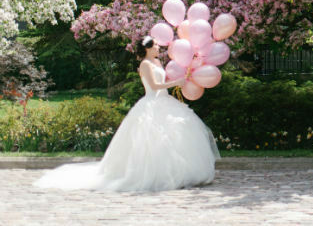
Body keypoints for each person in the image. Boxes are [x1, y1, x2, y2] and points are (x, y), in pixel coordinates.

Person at [35, 36, 220, 192]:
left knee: (175, 137)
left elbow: (163, 81)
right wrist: (175, 83)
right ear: (147, 48)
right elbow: (154, 86)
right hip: (151, 103)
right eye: (155, 45)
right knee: (150, 142)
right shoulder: (145, 65)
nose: (158, 47)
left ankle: (181, 171)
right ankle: (154, 175)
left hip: (165, 102)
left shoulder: (157, 62)